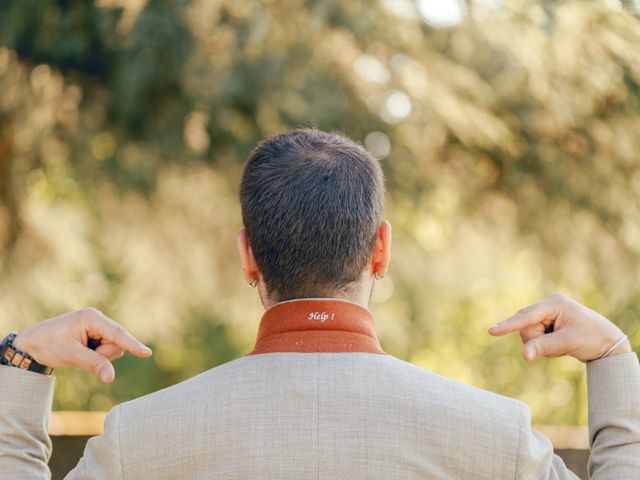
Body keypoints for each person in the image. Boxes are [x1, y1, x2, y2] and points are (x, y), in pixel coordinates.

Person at [0, 129, 638, 479]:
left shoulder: (143, 441)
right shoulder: (495, 441)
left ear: (247, 255)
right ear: (380, 250)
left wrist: (20, 364)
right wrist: (612, 357)